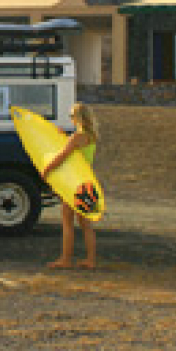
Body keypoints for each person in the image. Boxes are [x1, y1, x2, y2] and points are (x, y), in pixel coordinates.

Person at [43, 102, 100, 268]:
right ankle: (91, 260)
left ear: (78, 118)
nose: (70, 119)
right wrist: (64, 136)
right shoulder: (91, 136)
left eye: (71, 116)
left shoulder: (77, 137)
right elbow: (76, 151)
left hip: (74, 182)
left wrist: (47, 169)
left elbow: (63, 155)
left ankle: (65, 260)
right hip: (87, 181)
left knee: (67, 221)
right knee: (85, 224)